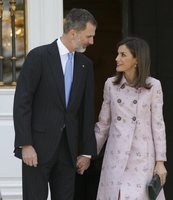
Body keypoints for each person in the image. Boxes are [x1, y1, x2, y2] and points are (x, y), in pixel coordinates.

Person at [13, 8, 97, 200]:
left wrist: (86, 152)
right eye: (88, 36)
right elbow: (22, 103)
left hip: (68, 152)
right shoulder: (38, 57)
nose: (91, 42)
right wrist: (25, 144)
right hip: (37, 148)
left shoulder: (85, 65)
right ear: (73, 33)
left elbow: (86, 110)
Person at [95, 37, 167, 200]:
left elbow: (158, 125)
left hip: (142, 157)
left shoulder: (153, 86)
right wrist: (89, 153)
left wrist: (160, 161)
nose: (117, 58)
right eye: (117, 54)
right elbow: (103, 124)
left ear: (137, 59)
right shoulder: (110, 85)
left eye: (123, 54)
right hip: (115, 156)